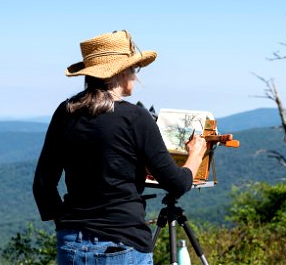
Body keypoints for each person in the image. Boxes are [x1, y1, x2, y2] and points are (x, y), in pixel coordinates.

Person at [33, 30, 207, 265]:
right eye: (134, 69)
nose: (135, 76)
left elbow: (43, 185)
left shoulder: (65, 113)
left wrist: (65, 223)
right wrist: (195, 154)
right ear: (120, 72)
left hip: (72, 243)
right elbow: (176, 184)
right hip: (123, 244)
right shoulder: (136, 117)